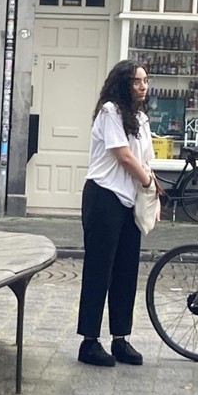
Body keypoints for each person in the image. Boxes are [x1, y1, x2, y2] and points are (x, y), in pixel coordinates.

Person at [76, 60, 156, 367]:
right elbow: (123, 156)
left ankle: (120, 338)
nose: (142, 86)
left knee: (126, 270)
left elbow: (144, 160)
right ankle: (89, 341)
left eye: (145, 81)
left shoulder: (141, 119)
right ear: (122, 83)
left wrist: (153, 195)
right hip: (104, 196)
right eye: (136, 81)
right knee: (99, 269)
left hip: (129, 200)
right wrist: (147, 180)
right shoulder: (110, 111)